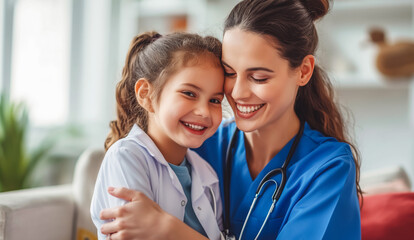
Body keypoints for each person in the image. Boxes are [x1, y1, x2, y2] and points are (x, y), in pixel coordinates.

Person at [98, 0, 362, 239]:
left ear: (303, 71)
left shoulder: (328, 167)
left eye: (259, 77)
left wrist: (169, 230)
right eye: (230, 73)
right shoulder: (200, 143)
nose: (237, 93)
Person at [90, 31, 226, 240]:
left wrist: (166, 228)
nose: (204, 112)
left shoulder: (207, 175)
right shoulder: (126, 157)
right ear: (146, 94)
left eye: (215, 100)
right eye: (189, 93)